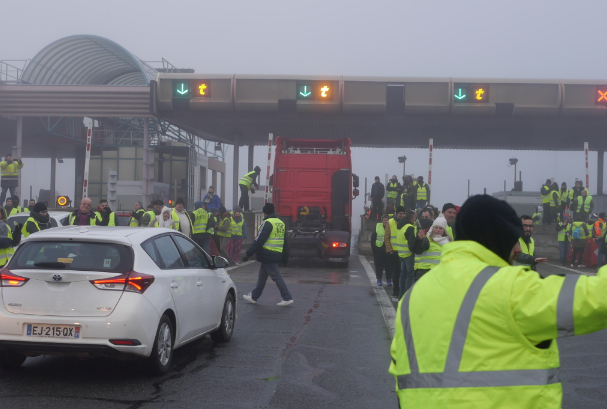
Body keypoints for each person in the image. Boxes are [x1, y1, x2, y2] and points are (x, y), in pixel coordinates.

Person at [390, 194, 607, 408]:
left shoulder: (412, 297)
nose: (519, 249)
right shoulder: (510, 287)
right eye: (514, 239)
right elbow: (598, 298)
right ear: (497, 238)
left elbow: (400, 372)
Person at [242, 203, 293, 306]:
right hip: (275, 253)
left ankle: (287, 297)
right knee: (262, 277)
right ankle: (254, 297)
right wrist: (285, 257)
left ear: (264, 213)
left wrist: (248, 253)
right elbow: (285, 242)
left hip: (267, 253)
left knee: (276, 277)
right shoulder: (280, 223)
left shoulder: (267, 223)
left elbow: (259, 240)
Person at [409, 216, 452, 282]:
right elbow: (417, 250)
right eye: (436, 228)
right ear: (432, 228)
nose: (438, 230)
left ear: (444, 230)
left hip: (440, 273)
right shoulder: (427, 240)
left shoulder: (448, 242)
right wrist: (419, 239)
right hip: (425, 272)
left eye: (440, 228)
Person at [384, 206, 406, 297]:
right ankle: (396, 290)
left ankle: (401, 291)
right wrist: (389, 250)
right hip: (394, 252)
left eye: (403, 214)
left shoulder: (406, 222)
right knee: (396, 273)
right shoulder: (390, 222)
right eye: (400, 213)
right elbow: (387, 237)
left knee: (403, 273)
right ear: (396, 214)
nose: (402, 215)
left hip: (404, 252)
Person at [398, 210, 417, 297]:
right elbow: (411, 243)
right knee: (410, 276)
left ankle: (401, 295)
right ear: (413, 218)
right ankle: (407, 296)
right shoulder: (410, 228)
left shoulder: (401, 226)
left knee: (403, 275)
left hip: (401, 254)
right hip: (408, 255)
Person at [371, 215, 389, 287]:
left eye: (386, 220)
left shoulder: (391, 227)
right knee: (378, 265)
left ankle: (389, 279)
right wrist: (374, 249)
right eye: (384, 220)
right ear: (381, 221)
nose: (385, 221)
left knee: (388, 266)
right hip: (379, 249)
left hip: (388, 249)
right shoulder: (378, 227)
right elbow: (373, 238)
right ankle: (379, 279)